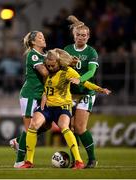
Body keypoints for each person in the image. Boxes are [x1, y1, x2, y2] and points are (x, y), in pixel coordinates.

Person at [19, 48, 110, 169]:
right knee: (33, 125)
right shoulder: (46, 71)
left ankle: (78, 161)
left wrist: (100, 89)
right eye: (48, 65)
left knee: (64, 127)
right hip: (47, 107)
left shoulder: (68, 71)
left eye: (52, 65)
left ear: (58, 62)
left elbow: (85, 83)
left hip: (62, 107)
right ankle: (29, 161)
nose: (50, 68)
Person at [64, 15, 102, 168]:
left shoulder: (91, 52)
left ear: (88, 37)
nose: (81, 37)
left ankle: (92, 159)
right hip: (69, 94)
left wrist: (79, 79)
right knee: (70, 128)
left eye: (84, 35)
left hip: (86, 93)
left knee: (79, 128)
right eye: (79, 35)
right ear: (74, 35)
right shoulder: (67, 50)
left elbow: (92, 72)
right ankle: (76, 160)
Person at [11, 31, 49, 168]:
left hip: (40, 96)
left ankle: (18, 141)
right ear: (33, 42)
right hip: (30, 95)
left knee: (46, 125)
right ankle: (19, 161)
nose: (43, 39)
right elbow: (44, 72)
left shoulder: (44, 55)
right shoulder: (33, 54)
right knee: (29, 129)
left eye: (43, 36)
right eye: (40, 37)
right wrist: (60, 67)